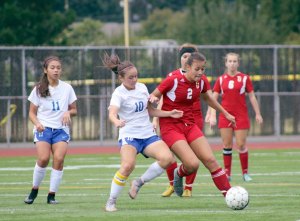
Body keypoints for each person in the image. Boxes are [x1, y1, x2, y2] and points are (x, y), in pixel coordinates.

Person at [102, 53, 183, 212]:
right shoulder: (119, 93)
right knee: (127, 166)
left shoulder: (142, 88)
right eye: (130, 77)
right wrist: (116, 121)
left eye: (136, 76)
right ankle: (111, 201)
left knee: (167, 159)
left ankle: (139, 182)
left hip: (147, 134)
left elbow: (151, 112)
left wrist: (169, 113)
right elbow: (112, 113)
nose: (134, 80)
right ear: (121, 78)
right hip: (129, 136)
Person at [149, 52, 235, 198]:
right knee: (193, 164)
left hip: (190, 124)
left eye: (203, 69)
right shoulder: (173, 80)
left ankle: (230, 195)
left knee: (210, 160)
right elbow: (152, 99)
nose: (201, 72)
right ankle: (179, 173)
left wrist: (225, 113)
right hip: (171, 127)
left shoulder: (201, 81)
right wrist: (156, 114)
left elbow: (208, 99)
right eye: (197, 69)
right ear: (187, 67)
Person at [153, 43, 212, 198]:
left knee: (194, 154)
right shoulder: (173, 76)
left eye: (189, 56)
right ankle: (173, 183)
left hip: (194, 118)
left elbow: (209, 97)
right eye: (184, 56)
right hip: (173, 119)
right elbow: (162, 98)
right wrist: (156, 118)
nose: (186, 59)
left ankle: (188, 188)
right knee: (168, 152)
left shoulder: (200, 78)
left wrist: (211, 113)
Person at [24, 56, 77, 204]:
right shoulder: (38, 88)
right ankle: (34, 190)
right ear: (45, 70)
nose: (56, 70)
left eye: (58, 68)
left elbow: (74, 109)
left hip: (61, 130)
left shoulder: (67, 88)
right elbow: (31, 113)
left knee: (59, 159)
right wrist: (37, 123)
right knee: (43, 158)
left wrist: (68, 112)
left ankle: (51, 195)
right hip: (44, 129)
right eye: (52, 67)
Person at [207, 52, 263, 182]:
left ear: (238, 63)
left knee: (241, 144)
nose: (232, 64)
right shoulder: (221, 79)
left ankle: (245, 173)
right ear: (226, 63)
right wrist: (212, 115)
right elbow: (213, 99)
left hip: (241, 116)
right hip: (225, 116)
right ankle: (227, 174)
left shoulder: (244, 78)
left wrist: (258, 113)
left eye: (234, 61)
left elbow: (252, 96)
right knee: (227, 145)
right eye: (230, 61)